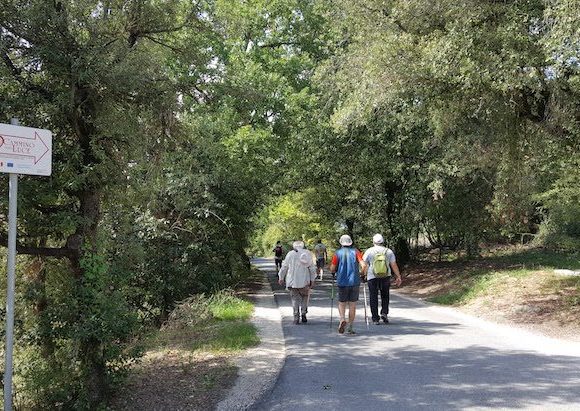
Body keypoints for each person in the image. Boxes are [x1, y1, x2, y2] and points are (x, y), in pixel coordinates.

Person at [329, 234, 366, 334]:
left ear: (341, 242)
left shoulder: (337, 253)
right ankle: (350, 327)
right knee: (352, 305)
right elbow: (364, 265)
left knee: (342, 303)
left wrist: (333, 271)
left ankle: (342, 319)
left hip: (342, 282)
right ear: (350, 242)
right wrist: (362, 273)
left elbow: (332, 268)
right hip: (354, 281)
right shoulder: (356, 252)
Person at [362, 234, 402, 325]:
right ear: (383, 241)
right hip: (385, 276)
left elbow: (364, 265)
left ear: (373, 241)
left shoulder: (369, 251)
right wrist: (398, 276)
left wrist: (362, 274)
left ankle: (375, 318)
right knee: (385, 296)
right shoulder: (389, 251)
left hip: (372, 277)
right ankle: (384, 313)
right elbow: (393, 265)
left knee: (373, 296)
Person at [278, 240, 317, 324]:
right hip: (305, 281)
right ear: (302, 246)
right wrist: (312, 279)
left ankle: (296, 317)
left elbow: (284, 267)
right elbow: (312, 268)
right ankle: (303, 313)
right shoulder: (307, 253)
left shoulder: (290, 254)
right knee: (305, 297)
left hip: (292, 281)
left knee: (295, 299)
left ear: (294, 246)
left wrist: (281, 277)